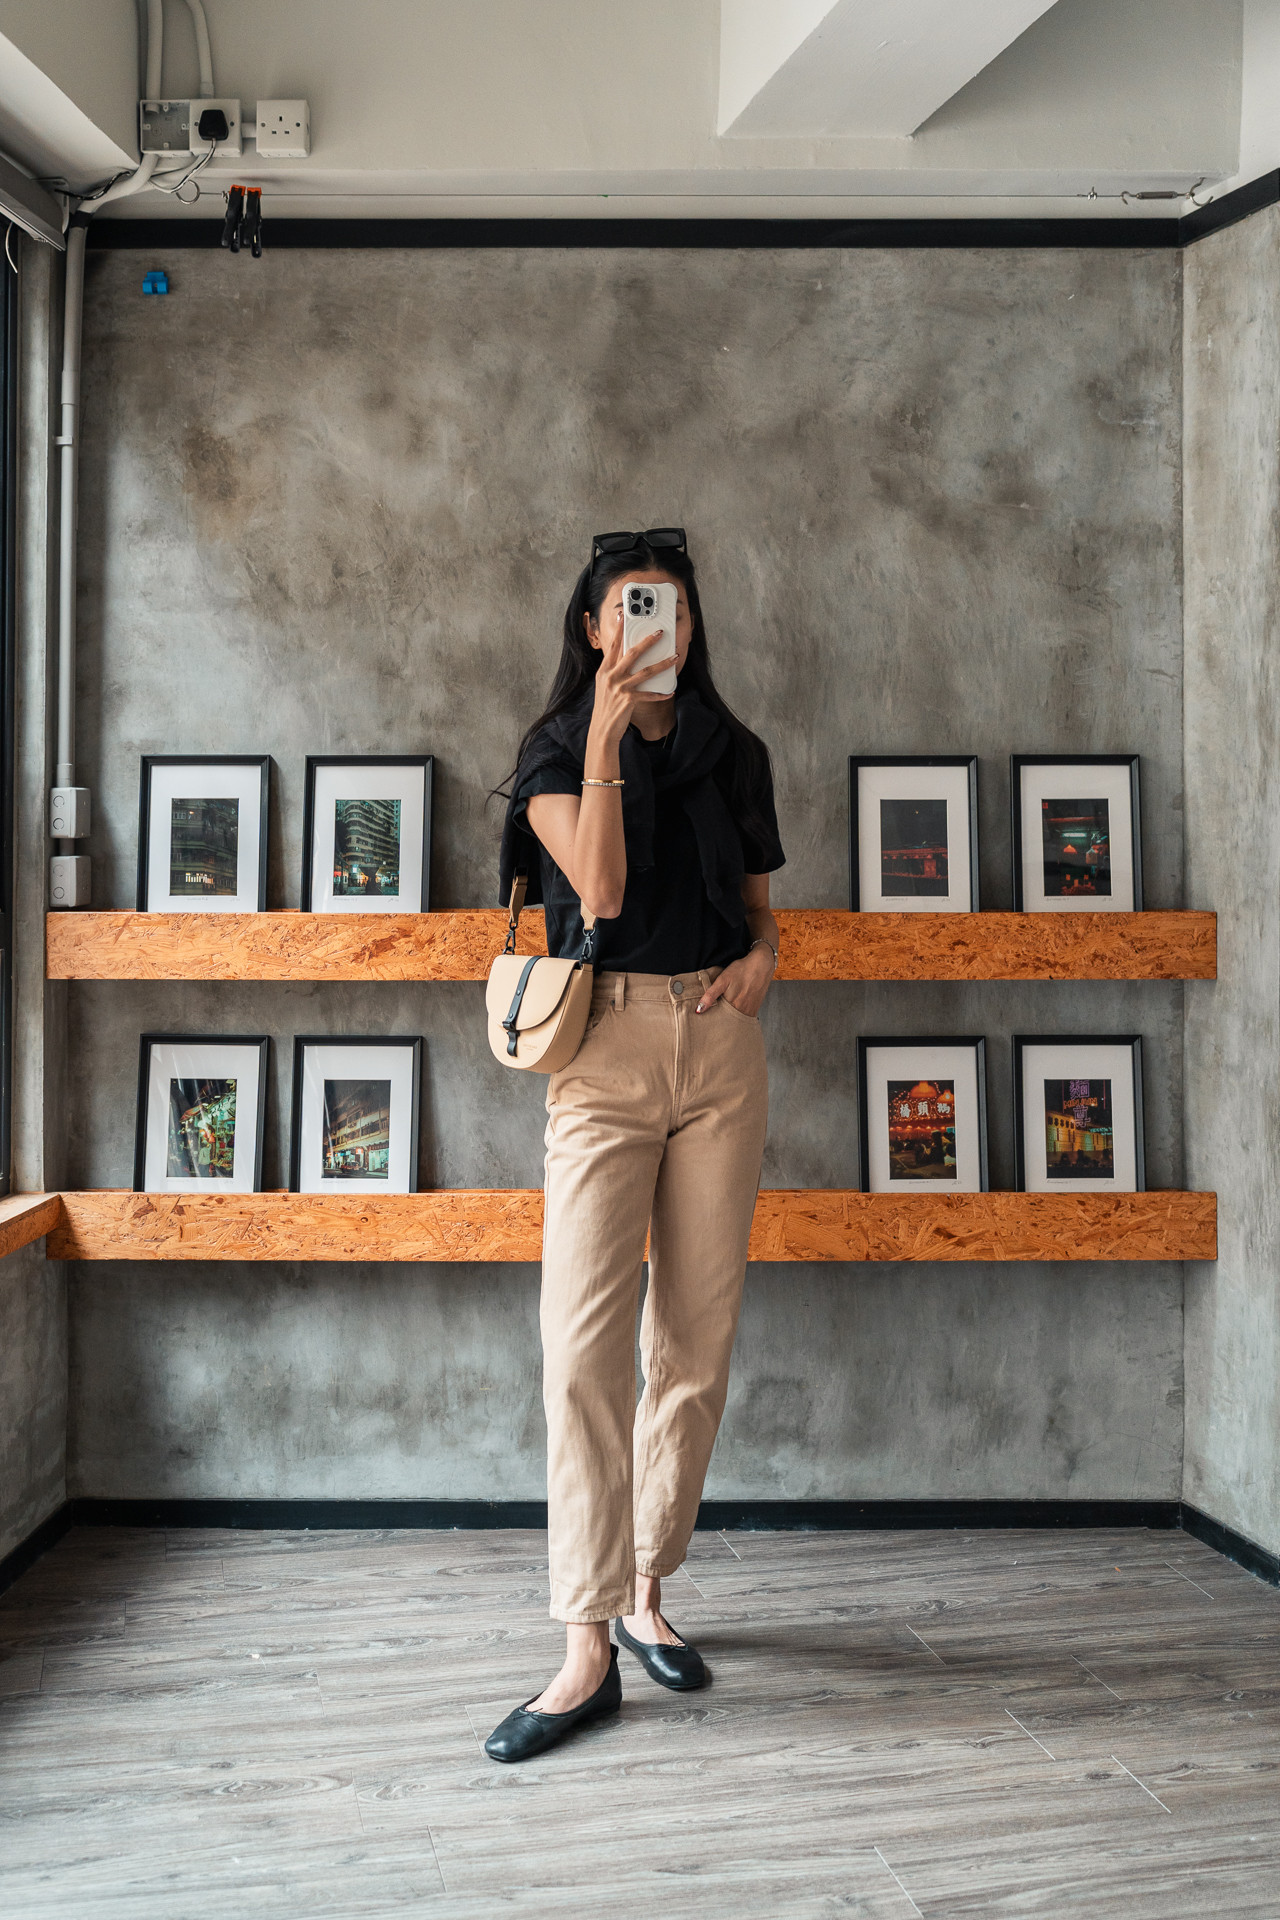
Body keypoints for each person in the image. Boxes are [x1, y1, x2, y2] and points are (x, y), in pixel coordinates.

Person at [486, 527, 784, 1763]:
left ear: (689, 626)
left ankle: (650, 1586)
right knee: (580, 1350)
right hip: (600, 1057)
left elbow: (765, 916)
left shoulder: (737, 754)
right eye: (628, 609)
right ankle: (584, 1639)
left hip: (717, 1052)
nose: (653, 628)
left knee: (694, 1347)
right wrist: (607, 736)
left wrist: (765, 965)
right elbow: (599, 896)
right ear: (593, 630)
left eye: (668, 609)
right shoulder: (557, 748)